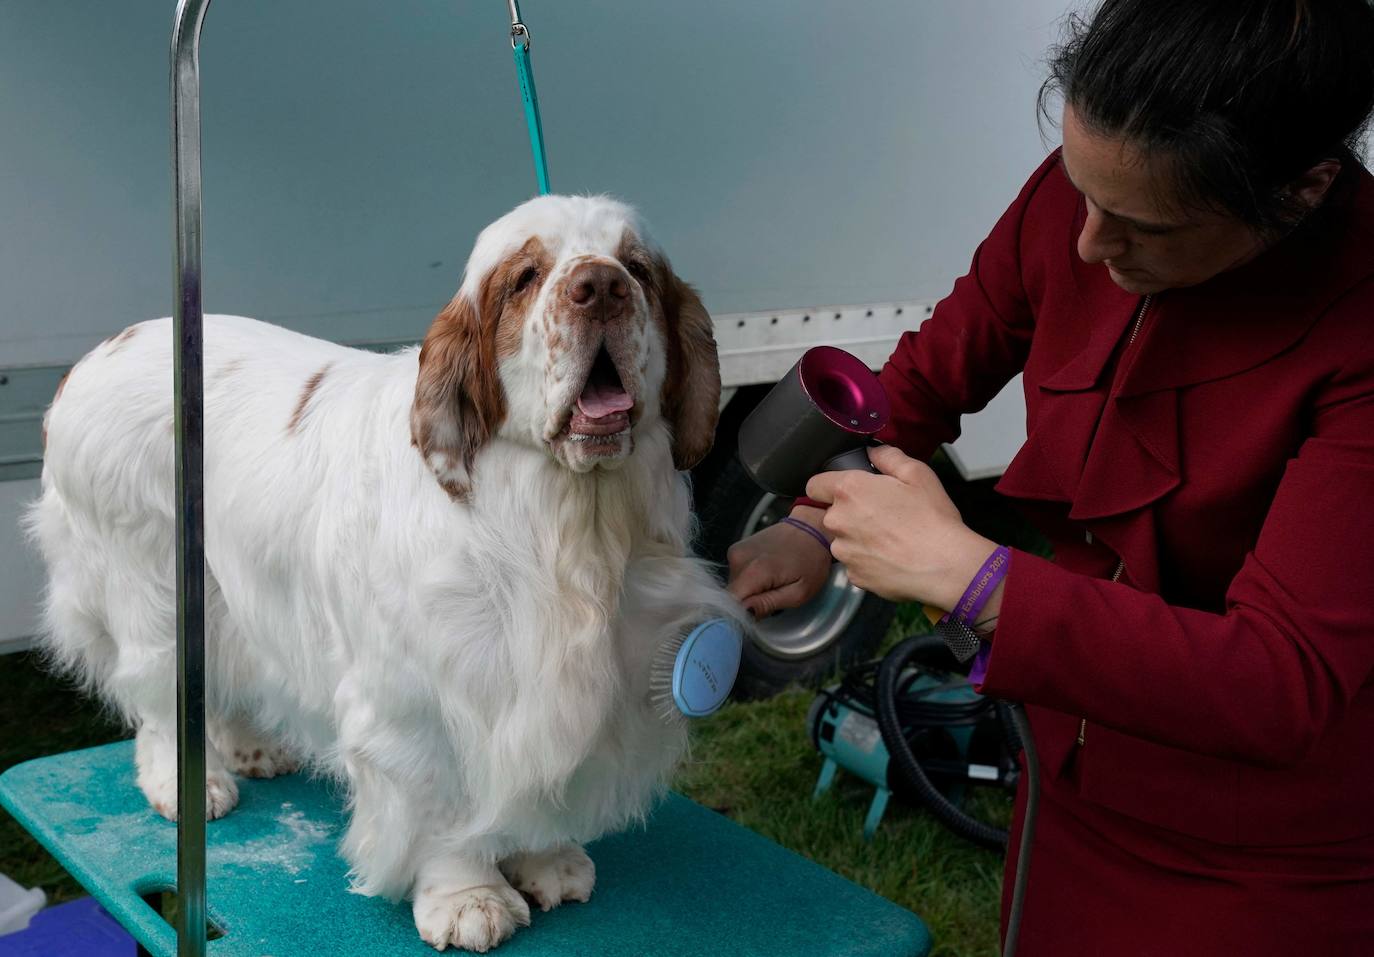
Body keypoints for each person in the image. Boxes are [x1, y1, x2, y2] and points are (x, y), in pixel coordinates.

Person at [726, 0, 1374, 953]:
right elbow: (929, 375)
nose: (1087, 246)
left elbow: (1280, 680)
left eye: (1144, 228)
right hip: (1065, 775)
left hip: (1263, 858)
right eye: (1080, 190)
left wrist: (975, 580)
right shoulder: (1087, 201)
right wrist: (814, 523)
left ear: (1304, 190)